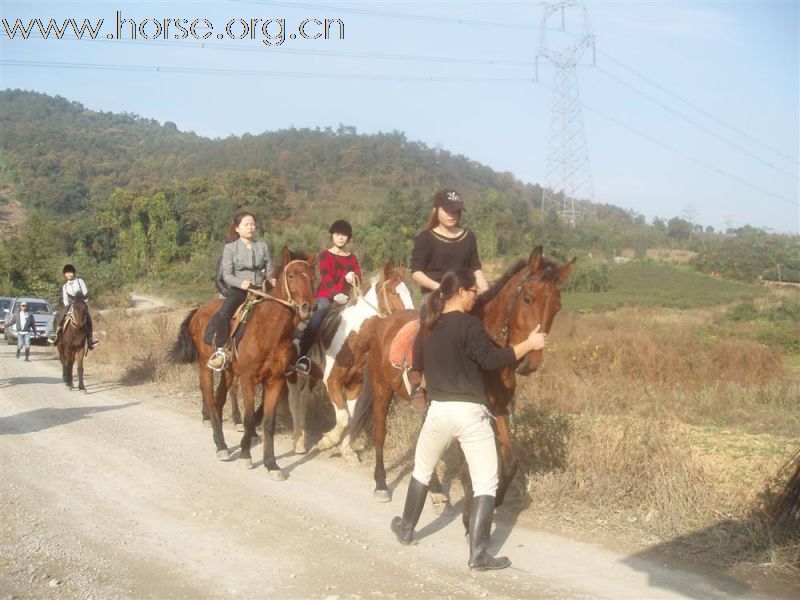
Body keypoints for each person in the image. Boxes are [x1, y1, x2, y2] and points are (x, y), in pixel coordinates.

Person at [390, 268, 548, 571]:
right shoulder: (471, 327)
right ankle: (478, 554)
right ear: (461, 291)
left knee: (422, 470)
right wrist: (529, 344)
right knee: (486, 481)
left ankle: (407, 528)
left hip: (437, 412)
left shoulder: (429, 326)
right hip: (471, 414)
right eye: (474, 292)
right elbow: (491, 361)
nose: (477, 296)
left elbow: (419, 364)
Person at [408, 188, 488, 402]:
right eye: (447, 210)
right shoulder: (425, 239)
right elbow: (416, 272)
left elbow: (475, 268)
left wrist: (485, 289)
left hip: (465, 295)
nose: (452, 215)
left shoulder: (469, 237)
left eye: (456, 211)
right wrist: (440, 287)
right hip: (435, 294)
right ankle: (418, 379)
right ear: (436, 210)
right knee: (426, 325)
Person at [205, 211, 275, 371]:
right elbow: (227, 275)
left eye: (252, 224)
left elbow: (270, 268)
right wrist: (240, 283)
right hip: (239, 290)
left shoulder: (262, 246)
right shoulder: (230, 248)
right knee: (223, 313)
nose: (250, 227)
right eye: (246, 224)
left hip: (262, 289)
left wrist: (272, 279)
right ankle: (221, 351)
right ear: (237, 228)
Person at [293, 219, 361, 373]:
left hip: (346, 298)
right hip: (326, 296)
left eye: (344, 235)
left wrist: (354, 277)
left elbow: (359, 277)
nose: (341, 238)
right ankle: (302, 356)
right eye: (337, 235)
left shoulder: (352, 258)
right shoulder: (325, 255)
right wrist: (335, 294)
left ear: (348, 238)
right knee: (320, 313)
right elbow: (326, 276)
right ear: (332, 236)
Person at [53, 264, 98, 349]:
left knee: (88, 319)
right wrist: (67, 306)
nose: (69, 275)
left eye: (70, 273)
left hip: (81, 302)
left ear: (74, 273)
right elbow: (65, 299)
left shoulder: (79, 281)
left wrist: (83, 301)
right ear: (65, 275)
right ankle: (56, 334)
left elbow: (85, 292)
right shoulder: (65, 286)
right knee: (60, 315)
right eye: (67, 273)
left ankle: (90, 340)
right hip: (71, 304)